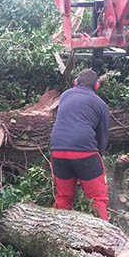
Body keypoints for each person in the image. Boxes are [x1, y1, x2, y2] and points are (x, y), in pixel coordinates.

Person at [50, 68, 110, 220]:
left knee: (63, 196)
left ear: (76, 83)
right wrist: (97, 158)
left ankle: (57, 232)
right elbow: (102, 137)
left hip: (57, 150)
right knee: (97, 199)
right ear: (96, 86)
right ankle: (102, 239)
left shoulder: (65, 95)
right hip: (85, 152)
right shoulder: (101, 104)